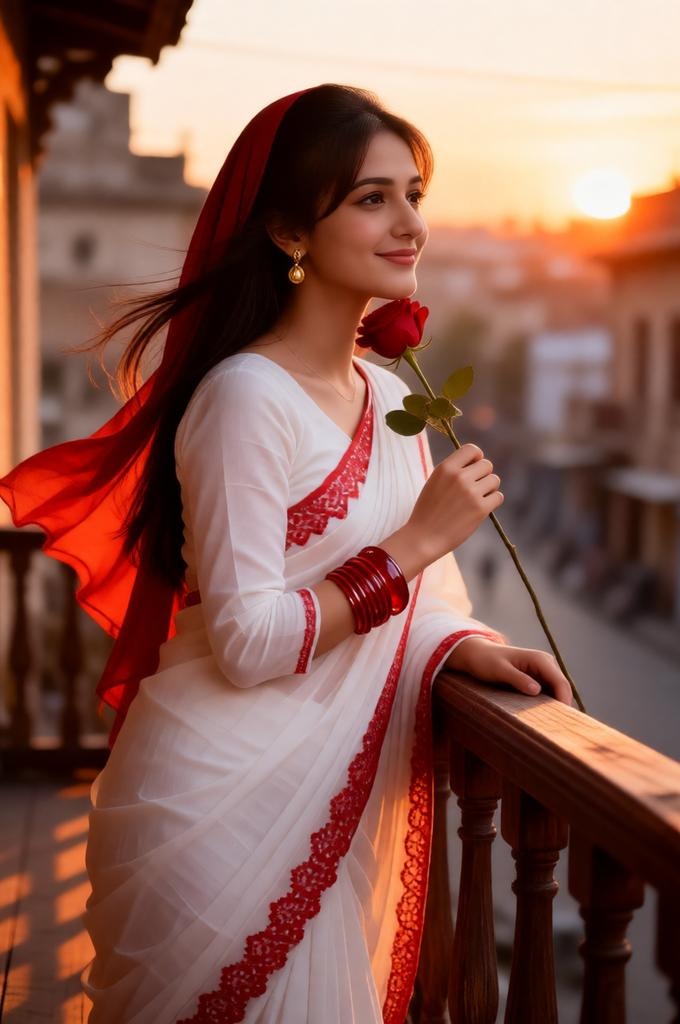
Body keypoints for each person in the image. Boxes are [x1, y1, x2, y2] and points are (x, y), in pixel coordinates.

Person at [0, 83, 572, 1023]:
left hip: (323, 802)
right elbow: (249, 640)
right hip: (217, 813)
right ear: (288, 230)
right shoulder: (244, 398)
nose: (409, 225)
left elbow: (425, 602)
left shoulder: (393, 397)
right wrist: (417, 538)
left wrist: (462, 647)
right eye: (370, 198)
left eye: (415, 194)